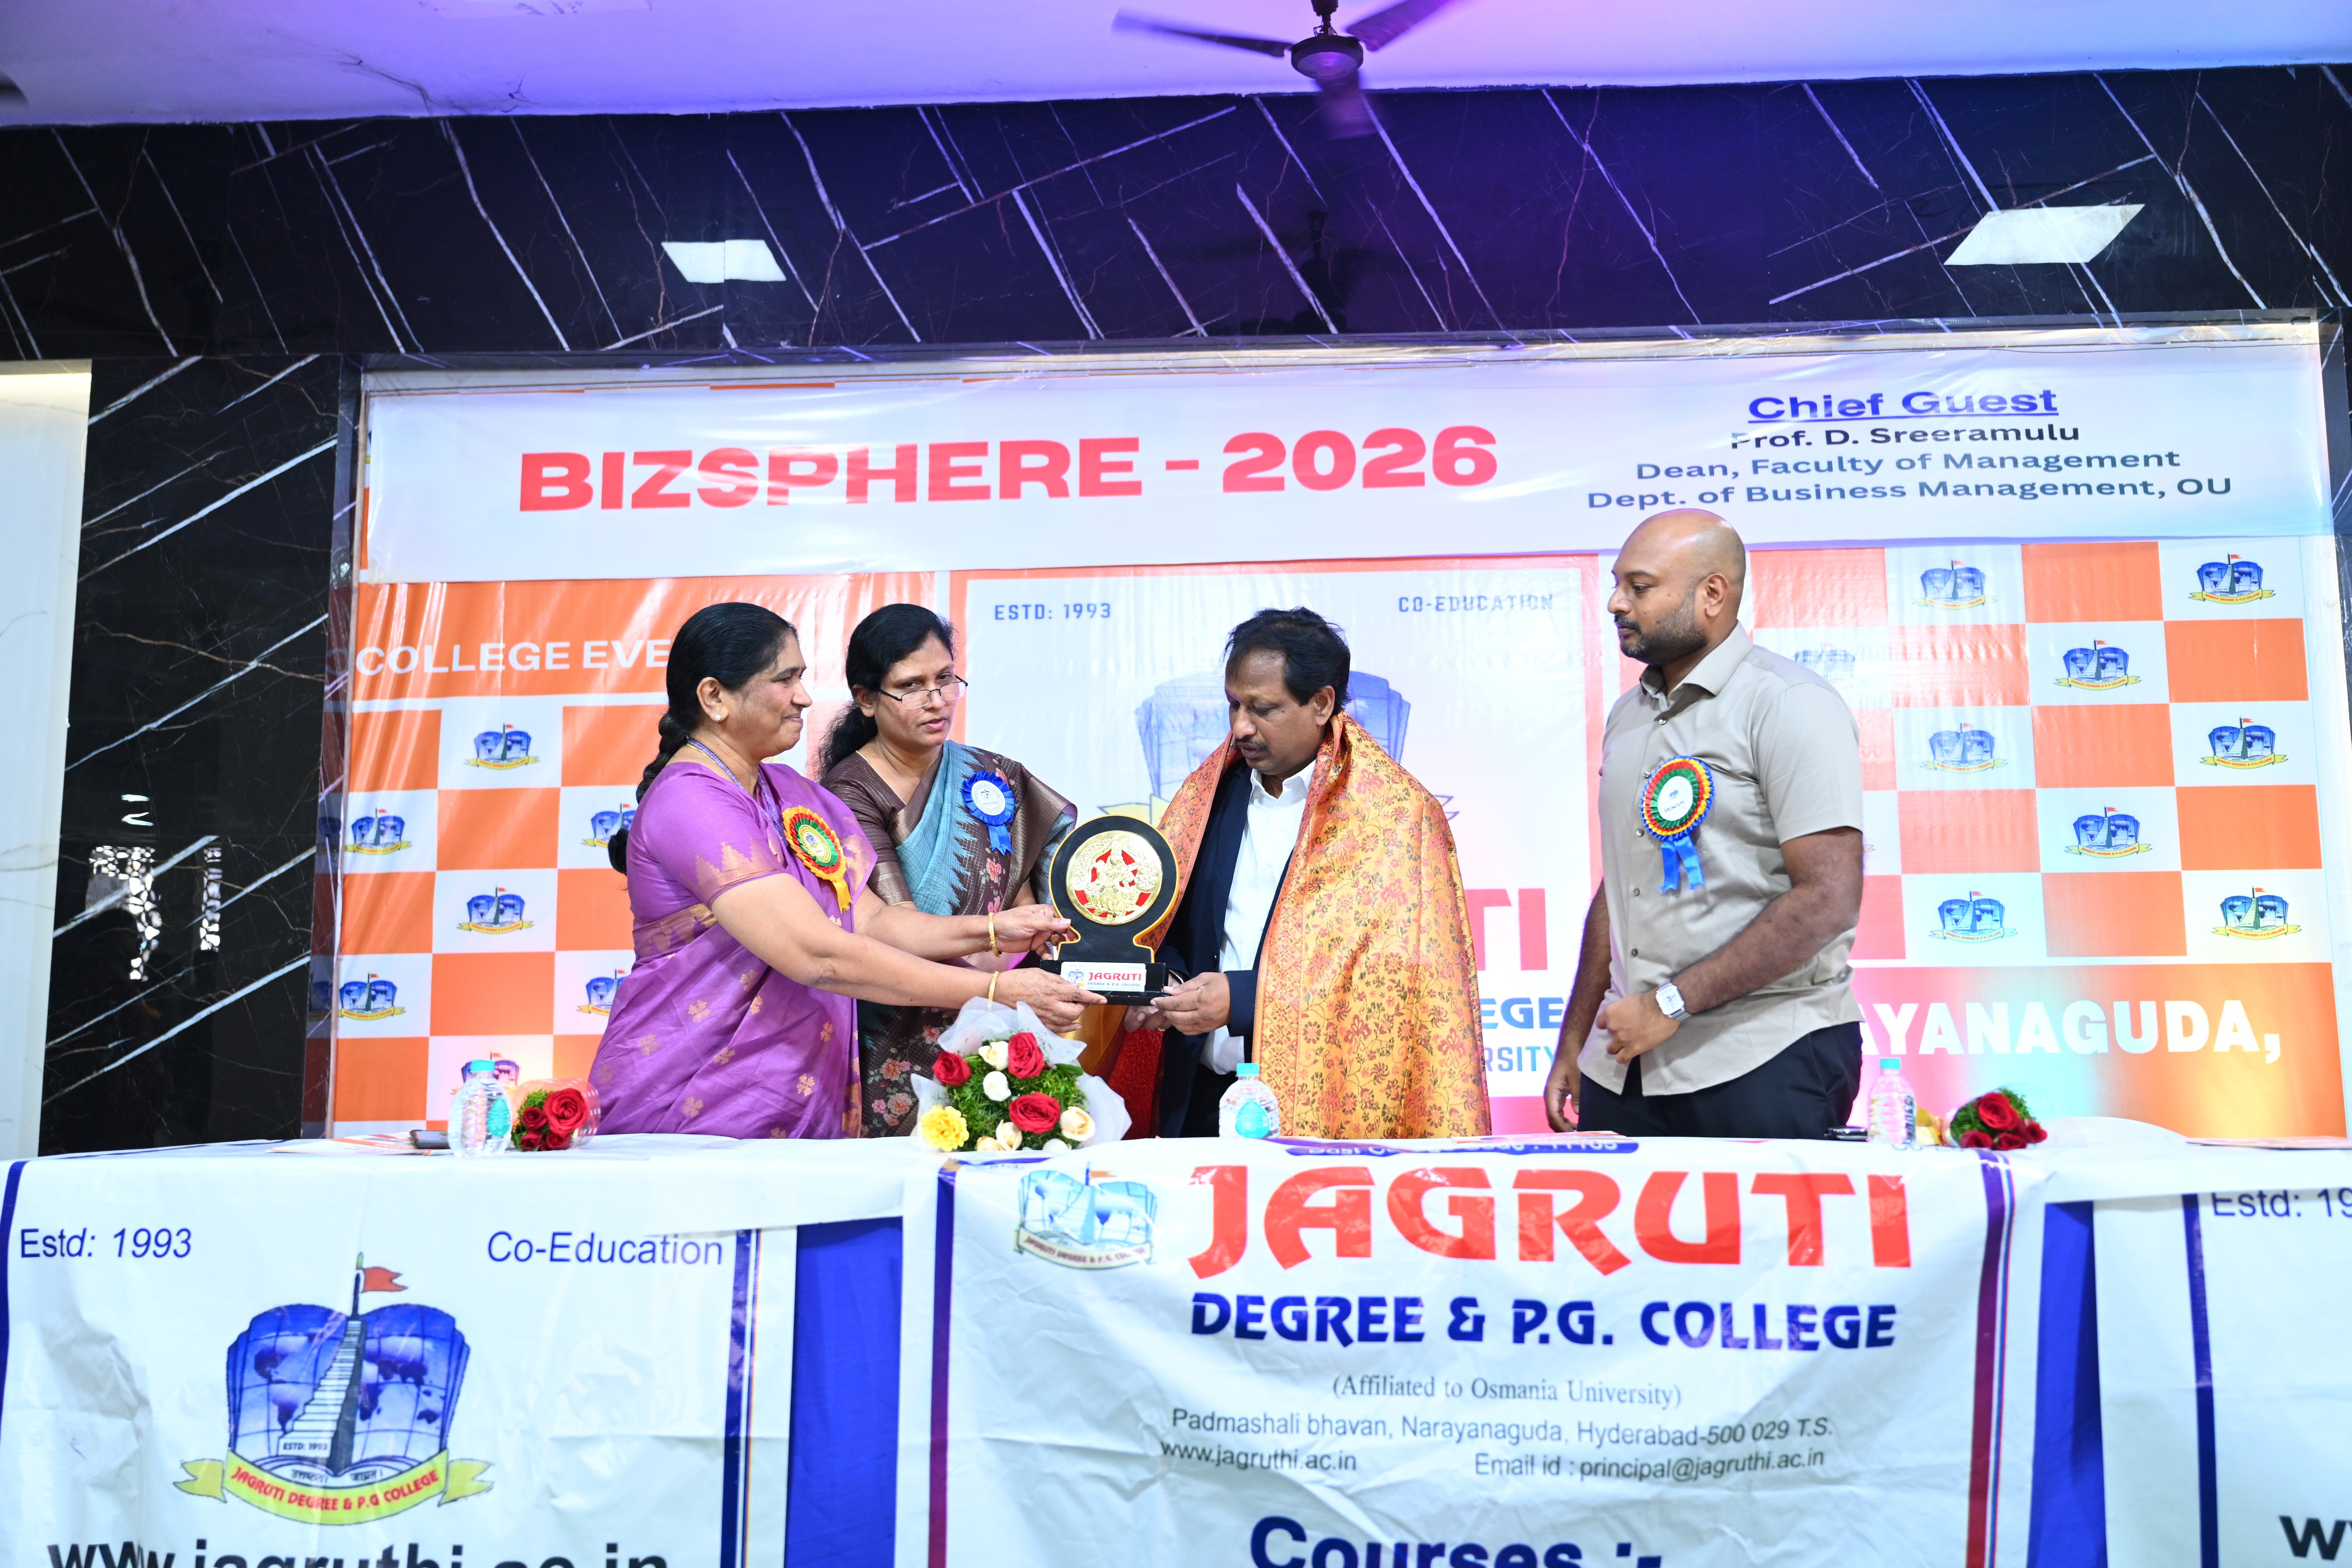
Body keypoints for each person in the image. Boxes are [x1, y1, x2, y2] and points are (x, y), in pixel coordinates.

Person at [589, 602, 1098, 1138]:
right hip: (690, 1107)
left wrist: (995, 929)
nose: (805, 697)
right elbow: (817, 955)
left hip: (799, 1105)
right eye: (785, 679)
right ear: (715, 697)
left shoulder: (794, 794)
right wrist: (996, 990)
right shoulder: (690, 800)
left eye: (802, 678)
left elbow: (873, 922)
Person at [1543, 509, 1865, 1139]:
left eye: (1640, 587)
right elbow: (1623, 886)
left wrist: (1671, 1003)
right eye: (1617, 585)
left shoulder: (1790, 703)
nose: (1615, 603)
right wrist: (1575, 1040)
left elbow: (1829, 898)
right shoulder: (1628, 715)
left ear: (1712, 594)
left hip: (1763, 1057)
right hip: (1625, 1063)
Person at [1129, 607, 1489, 1140]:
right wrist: (1172, 982)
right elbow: (1173, 927)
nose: (1240, 727)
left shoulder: (1394, 817)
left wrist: (1244, 999)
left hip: (1329, 1118)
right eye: (1234, 705)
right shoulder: (1206, 797)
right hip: (1202, 1102)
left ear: (1321, 703)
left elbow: (1392, 986)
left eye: (1263, 709)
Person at [819, 604, 1079, 1136]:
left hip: (1009, 1023)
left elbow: (1034, 877)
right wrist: (995, 936)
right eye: (911, 687)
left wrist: (1044, 930)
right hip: (898, 1027)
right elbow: (886, 927)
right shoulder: (849, 793)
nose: (936, 700)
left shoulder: (993, 775)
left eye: (945, 679)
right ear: (866, 699)